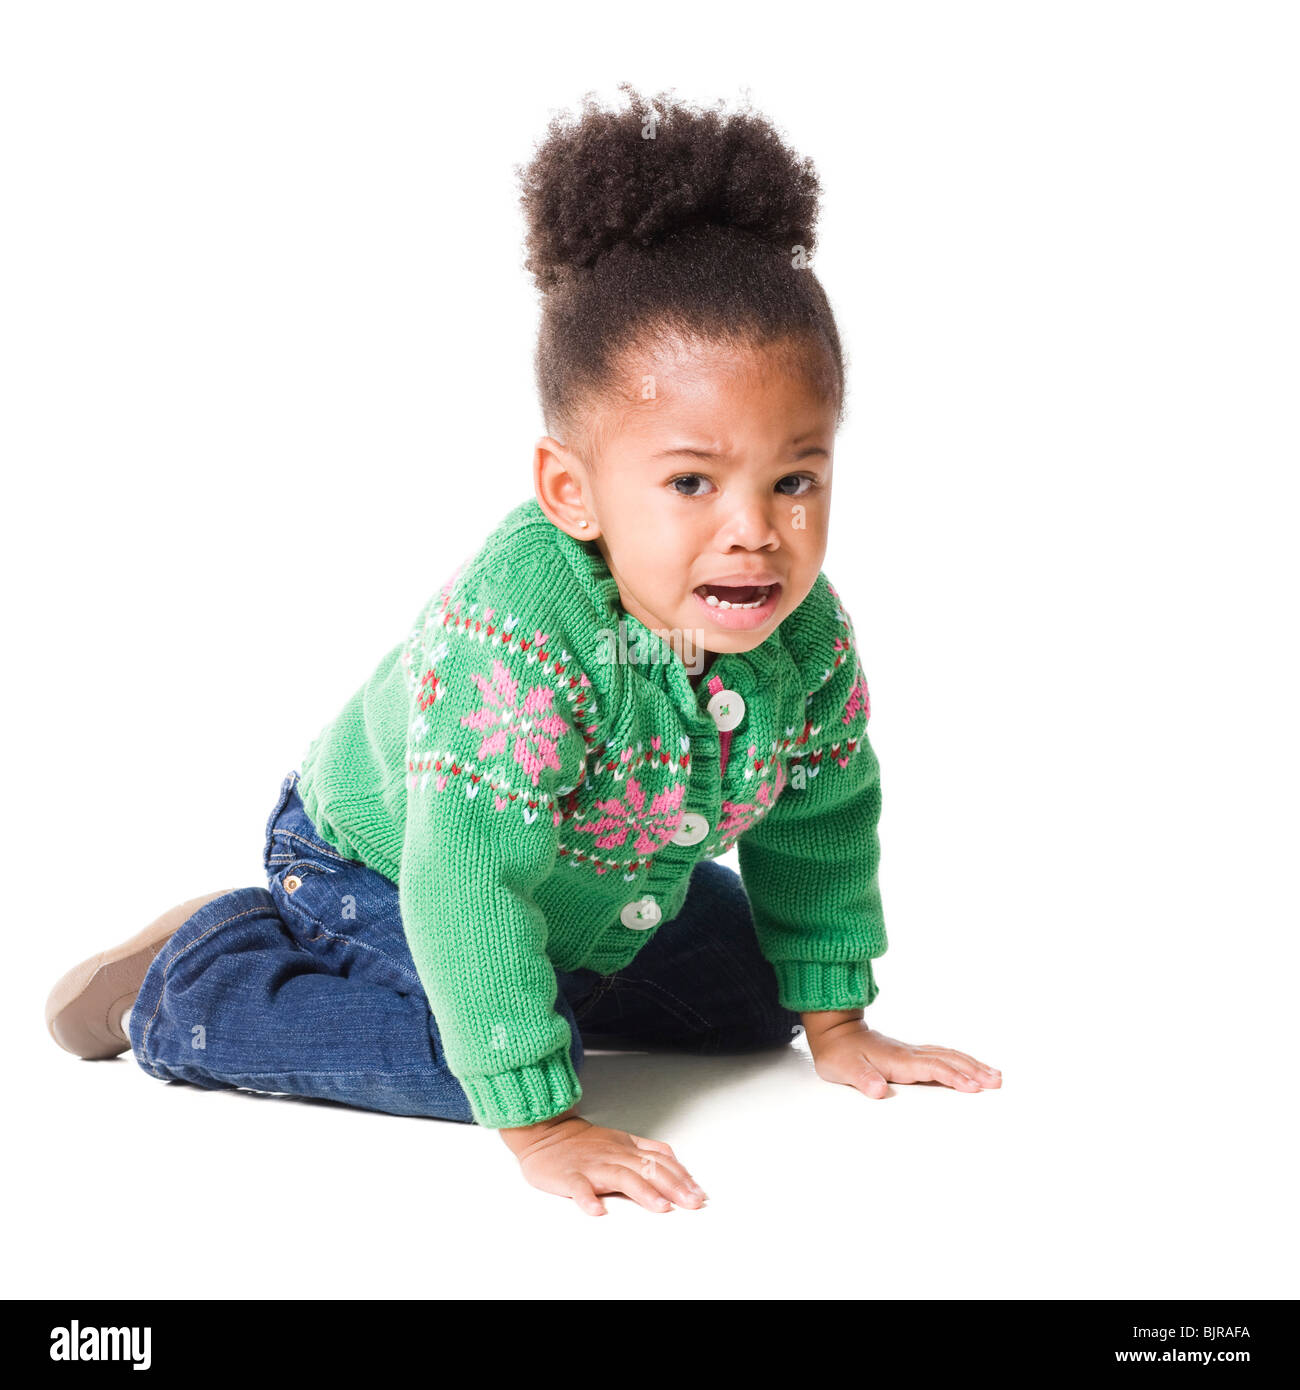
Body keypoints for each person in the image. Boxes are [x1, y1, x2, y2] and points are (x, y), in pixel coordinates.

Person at [45, 85, 1001, 1216]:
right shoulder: (523, 642)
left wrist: (836, 1022)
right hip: (388, 861)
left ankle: (541, 991)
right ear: (573, 490)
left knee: (753, 1003)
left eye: (794, 478)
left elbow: (821, 811)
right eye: (691, 481)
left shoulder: (804, 637)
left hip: (590, 868)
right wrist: (538, 1118)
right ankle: (197, 973)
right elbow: (467, 874)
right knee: (478, 1061)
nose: (755, 527)